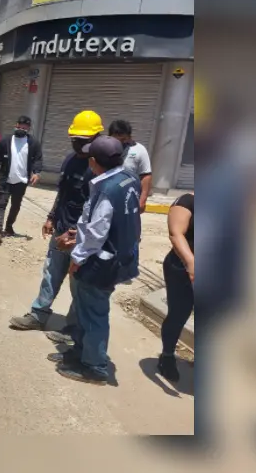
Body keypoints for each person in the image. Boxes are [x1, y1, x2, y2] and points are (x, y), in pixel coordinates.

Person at [50, 136, 141, 385]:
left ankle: (95, 367)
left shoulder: (105, 188)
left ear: (93, 162)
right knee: (84, 309)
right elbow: (105, 222)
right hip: (117, 257)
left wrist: (76, 257)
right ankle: (80, 353)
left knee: (94, 314)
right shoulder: (128, 179)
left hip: (101, 262)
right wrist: (76, 233)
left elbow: (98, 230)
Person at [9, 111, 105, 339]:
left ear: (97, 138)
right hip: (62, 227)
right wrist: (51, 217)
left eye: (83, 140)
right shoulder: (70, 160)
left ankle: (74, 328)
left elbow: (100, 208)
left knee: (78, 282)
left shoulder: (100, 168)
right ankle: (38, 314)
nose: (77, 144)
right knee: (51, 273)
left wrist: (79, 233)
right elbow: (62, 192)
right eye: (75, 139)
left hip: (82, 235)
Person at [0, 115, 43, 243]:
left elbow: (38, 159)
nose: (21, 129)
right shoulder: (6, 141)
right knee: (1, 204)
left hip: (21, 181)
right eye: (19, 126)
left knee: (16, 206)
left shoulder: (33, 143)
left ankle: (8, 227)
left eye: (24, 128)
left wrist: (36, 173)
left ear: (28, 128)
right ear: (16, 125)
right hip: (5, 179)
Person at [157, 192, 194, 382]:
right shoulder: (188, 201)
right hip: (182, 269)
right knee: (179, 314)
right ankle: (168, 355)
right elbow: (176, 233)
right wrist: (191, 262)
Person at [108, 120, 153, 212]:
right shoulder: (105, 148)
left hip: (129, 196)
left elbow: (146, 175)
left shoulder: (139, 150)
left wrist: (142, 200)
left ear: (129, 137)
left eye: (123, 139)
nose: (120, 143)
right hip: (107, 194)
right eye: (116, 139)